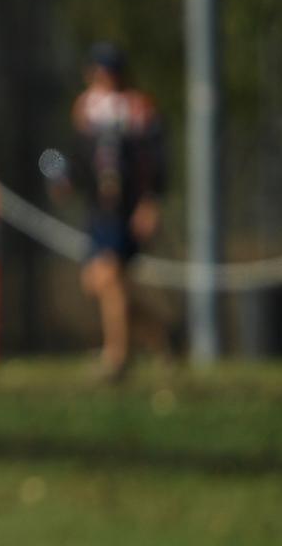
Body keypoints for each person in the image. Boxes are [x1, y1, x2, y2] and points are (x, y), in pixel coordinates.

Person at [53, 42, 166, 380]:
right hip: (98, 207)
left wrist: (150, 202)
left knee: (111, 275)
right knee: (97, 282)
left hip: (126, 207)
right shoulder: (85, 108)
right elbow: (74, 155)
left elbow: (157, 160)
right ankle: (160, 340)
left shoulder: (138, 107)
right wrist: (64, 178)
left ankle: (117, 356)